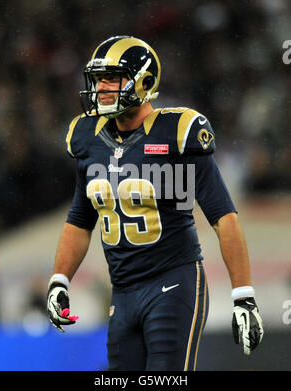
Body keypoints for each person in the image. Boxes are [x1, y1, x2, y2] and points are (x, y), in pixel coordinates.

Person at [47, 35, 264, 371]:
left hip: (173, 282)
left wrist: (243, 295)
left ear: (144, 81)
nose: (102, 88)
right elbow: (79, 218)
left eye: (112, 78)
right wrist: (60, 279)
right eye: (98, 79)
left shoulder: (177, 132)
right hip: (121, 292)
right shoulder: (88, 139)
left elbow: (224, 217)